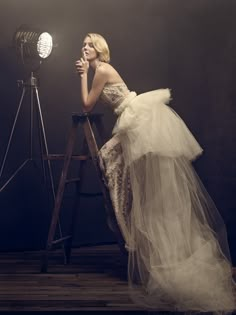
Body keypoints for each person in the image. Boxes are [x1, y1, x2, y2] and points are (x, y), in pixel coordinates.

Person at [75, 33, 235, 313]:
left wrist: (82, 75)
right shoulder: (101, 69)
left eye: (90, 45)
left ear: (99, 49)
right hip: (131, 119)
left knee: (122, 170)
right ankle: (131, 226)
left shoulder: (100, 69)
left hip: (136, 120)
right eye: (84, 45)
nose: (85, 48)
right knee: (134, 178)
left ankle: (131, 228)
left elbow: (87, 104)